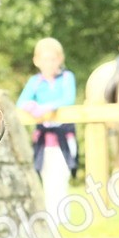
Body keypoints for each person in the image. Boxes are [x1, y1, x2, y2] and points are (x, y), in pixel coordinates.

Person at [17, 38, 77, 219]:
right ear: (37, 61)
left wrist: (47, 107)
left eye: (52, 59)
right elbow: (21, 102)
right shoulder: (35, 81)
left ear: (60, 59)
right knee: (46, 177)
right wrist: (32, 107)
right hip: (44, 139)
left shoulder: (67, 78)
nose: (48, 64)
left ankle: (62, 218)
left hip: (63, 136)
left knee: (62, 177)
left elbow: (68, 99)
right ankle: (50, 218)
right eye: (44, 60)